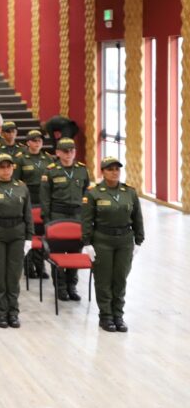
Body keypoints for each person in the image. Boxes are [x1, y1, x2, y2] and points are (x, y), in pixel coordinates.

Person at [81, 156, 145, 333]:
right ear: (103, 172)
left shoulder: (129, 192)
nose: (114, 172)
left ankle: (118, 315)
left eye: (117, 169)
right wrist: (87, 243)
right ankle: (106, 316)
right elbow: (86, 220)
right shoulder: (94, 193)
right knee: (103, 280)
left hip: (124, 240)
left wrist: (139, 240)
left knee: (120, 279)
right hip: (102, 240)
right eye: (110, 169)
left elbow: (137, 217)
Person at [0, 153, 34, 329]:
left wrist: (29, 238)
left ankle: (13, 312)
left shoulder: (22, 187)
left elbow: (28, 215)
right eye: (1, 167)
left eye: (8, 166)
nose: (5, 170)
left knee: (14, 274)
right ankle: (1, 312)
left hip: (17, 233)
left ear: (13, 168)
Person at [39, 138, 91, 301]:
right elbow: (45, 197)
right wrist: (47, 220)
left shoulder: (82, 170)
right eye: (65, 151)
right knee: (58, 253)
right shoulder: (51, 171)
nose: (69, 154)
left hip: (77, 216)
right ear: (58, 153)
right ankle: (60, 287)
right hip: (58, 216)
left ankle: (72, 286)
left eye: (72, 150)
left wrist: (87, 217)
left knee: (75, 252)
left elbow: (86, 195)